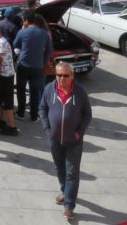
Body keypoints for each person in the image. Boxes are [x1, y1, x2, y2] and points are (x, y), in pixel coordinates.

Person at [39, 62, 93, 223]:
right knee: (59, 168)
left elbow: (87, 114)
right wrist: (47, 128)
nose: (62, 78)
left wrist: (79, 132)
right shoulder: (49, 89)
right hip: (55, 139)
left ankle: (69, 205)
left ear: (72, 76)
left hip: (74, 141)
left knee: (72, 172)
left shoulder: (80, 92)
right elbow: (43, 108)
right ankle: (65, 191)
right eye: (59, 75)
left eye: (65, 75)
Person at [14, 10, 53, 122]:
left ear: (26, 21)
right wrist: (43, 61)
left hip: (23, 66)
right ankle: (33, 116)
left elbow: (15, 44)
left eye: (23, 21)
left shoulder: (22, 32)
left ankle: (21, 114)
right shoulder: (45, 33)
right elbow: (49, 50)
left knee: (21, 90)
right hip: (38, 68)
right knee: (35, 92)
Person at [0, 21, 19, 136]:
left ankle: (12, 127)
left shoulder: (1, 42)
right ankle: (1, 121)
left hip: (7, 75)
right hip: (3, 74)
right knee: (2, 99)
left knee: (7, 101)